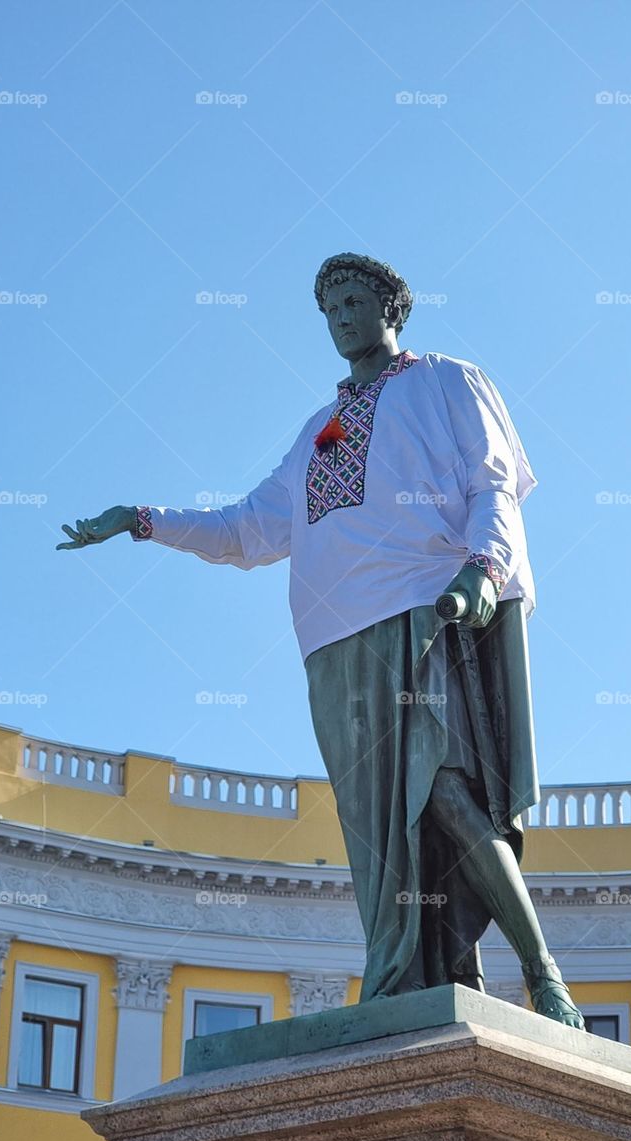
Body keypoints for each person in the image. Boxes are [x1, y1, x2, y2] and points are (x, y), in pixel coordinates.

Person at [56, 251, 584, 1028]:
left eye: (353, 300)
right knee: (377, 833)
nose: (339, 317)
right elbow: (245, 529)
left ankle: (544, 975)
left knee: (444, 790)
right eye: (329, 307)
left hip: (425, 609)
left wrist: (484, 565)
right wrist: (142, 520)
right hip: (335, 645)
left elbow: (494, 481)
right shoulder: (318, 432)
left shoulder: (446, 380)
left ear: (391, 308)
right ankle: (413, 978)